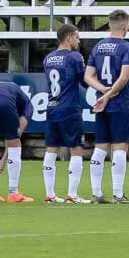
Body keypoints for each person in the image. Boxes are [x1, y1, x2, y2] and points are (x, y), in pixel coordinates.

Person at [84, 9, 129, 203]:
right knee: (120, 146)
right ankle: (117, 193)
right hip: (118, 102)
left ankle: (96, 193)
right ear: (125, 26)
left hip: (101, 102)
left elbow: (88, 76)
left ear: (109, 24)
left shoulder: (98, 46)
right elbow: (124, 77)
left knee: (100, 147)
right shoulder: (127, 48)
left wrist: (102, 90)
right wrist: (108, 95)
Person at [41, 23, 90, 203]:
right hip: (69, 108)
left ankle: (50, 193)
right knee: (76, 149)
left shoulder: (48, 58)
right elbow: (84, 82)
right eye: (77, 37)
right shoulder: (74, 57)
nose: (78, 41)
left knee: (51, 149)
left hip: (52, 106)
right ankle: (72, 194)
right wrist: (84, 68)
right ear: (68, 38)